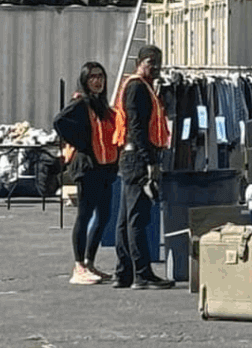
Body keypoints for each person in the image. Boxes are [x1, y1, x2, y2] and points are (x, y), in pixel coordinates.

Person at [111, 46, 175, 289]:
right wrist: (149, 162)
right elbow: (137, 128)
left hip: (131, 156)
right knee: (137, 218)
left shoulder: (141, 85)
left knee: (126, 218)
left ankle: (123, 272)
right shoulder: (138, 87)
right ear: (139, 62)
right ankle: (142, 273)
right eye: (150, 62)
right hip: (137, 157)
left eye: (159, 61)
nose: (155, 66)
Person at [56, 61, 118, 284]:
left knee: (103, 216)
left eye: (100, 76)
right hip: (87, 168)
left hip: (104, 168)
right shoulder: (80, 103)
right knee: (84, 215)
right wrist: (81, 142)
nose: (97, 80)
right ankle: (78, 266)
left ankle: (90, 262)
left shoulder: (101, 105)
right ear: (84, 80)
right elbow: (59, 121)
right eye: (92, 76)